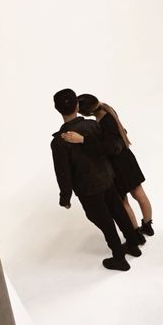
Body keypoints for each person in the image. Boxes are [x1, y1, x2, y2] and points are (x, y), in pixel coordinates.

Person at [50, 89, 144, 271]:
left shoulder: (59, 142)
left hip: (88, 188)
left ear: (57, 109)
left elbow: (63, 173)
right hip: (107, 179)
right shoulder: (92, 126)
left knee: (105, 221)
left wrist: (65, 198)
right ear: (77, 106)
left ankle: (119, 258)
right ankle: (133, 244)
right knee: (118, 211)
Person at [61, 94, 154, 238]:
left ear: (87, 113)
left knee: (124, 202)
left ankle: (136, 232)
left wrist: (83, 139)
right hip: (127, 158)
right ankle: (148, 225)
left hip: (118, 163)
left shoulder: (104, 122)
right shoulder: (108, 111)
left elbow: (111, 147)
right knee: (139, 193)